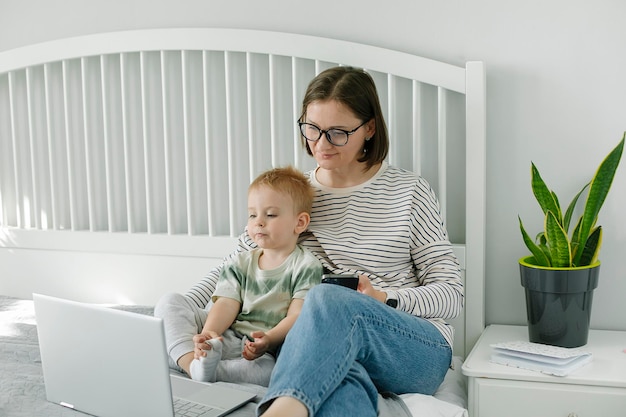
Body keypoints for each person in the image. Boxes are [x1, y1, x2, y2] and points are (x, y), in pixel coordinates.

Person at [158, 66, 463, 417]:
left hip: (411, 348)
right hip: (322, 345)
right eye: (312, 129)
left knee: (326, 296)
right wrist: (187, 316)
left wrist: (383, 298)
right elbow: (232, 271)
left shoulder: (409, 192)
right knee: (338, 378)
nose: (320, 144)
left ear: (369, 128)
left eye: (337, 133)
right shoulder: (291, 196)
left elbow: (451, 295)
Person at [155, 166, 322, 387]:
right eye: (253, 214)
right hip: (225, 334)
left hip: (257, 349)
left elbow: (297, 315)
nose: (258, 222)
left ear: (299, 223)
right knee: (170, 302)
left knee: (269, 372)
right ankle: (192, 363)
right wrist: (208, 336)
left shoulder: (306, 265)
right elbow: (226, 303)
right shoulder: (241, 261)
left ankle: (202, 366)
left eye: (270, 215)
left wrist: (268, 339)